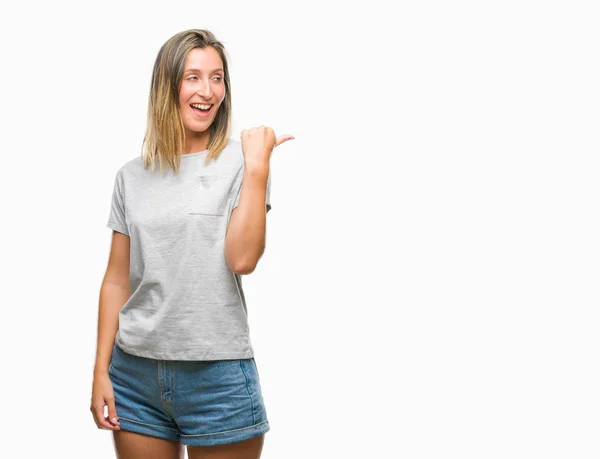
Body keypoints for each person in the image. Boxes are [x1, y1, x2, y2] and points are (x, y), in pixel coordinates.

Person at [90, 29, 294, 459]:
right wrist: (100, 371)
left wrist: (257, 168)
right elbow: (116, 280)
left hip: (217, 376)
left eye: (217, 78)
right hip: (134, 375)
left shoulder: (243, 162)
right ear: (168, 86)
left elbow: (242, 258)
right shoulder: (131, 176)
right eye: (193, 77)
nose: (208, 91)